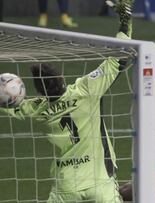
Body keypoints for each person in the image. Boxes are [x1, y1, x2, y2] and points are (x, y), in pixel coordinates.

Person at [0, 0, 134, 202]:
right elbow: (119, 58)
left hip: (66, 185)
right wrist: (125, 22)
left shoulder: (37, 109)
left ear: (40, 92)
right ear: (62, 77)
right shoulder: (86, 89)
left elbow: (13, 106)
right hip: (100, 180)